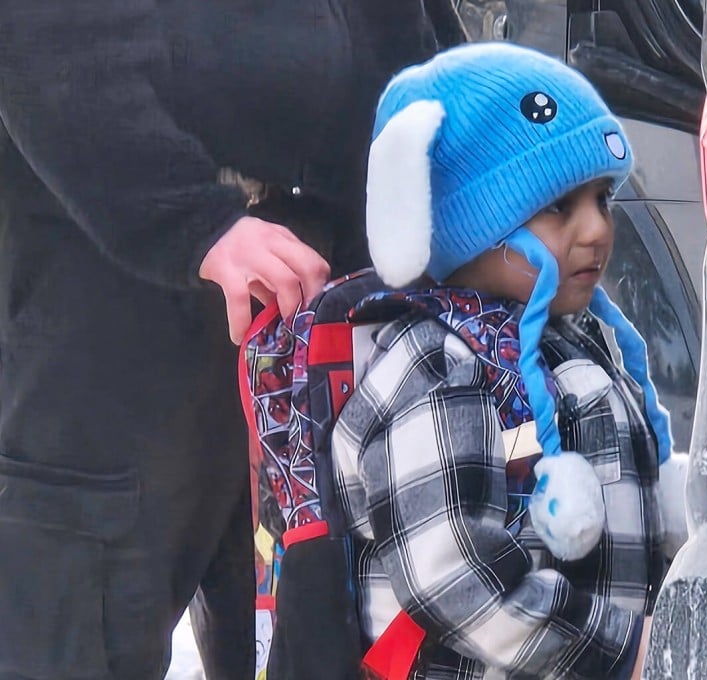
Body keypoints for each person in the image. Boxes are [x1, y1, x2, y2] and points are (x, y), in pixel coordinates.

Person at [0, 2, 463, 679]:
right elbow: (44, 47)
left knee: (317, 637)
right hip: (117, 314)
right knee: (80, 635)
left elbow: (421, 45)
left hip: (328, 311)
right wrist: (192, 220)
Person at [328, 43, 686, 678]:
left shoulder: (571, 340)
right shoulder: (437, 365)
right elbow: (451, 574)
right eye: (558, 206)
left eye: (602, 198)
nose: (597, 230)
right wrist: (623, 651)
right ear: (474, 224)